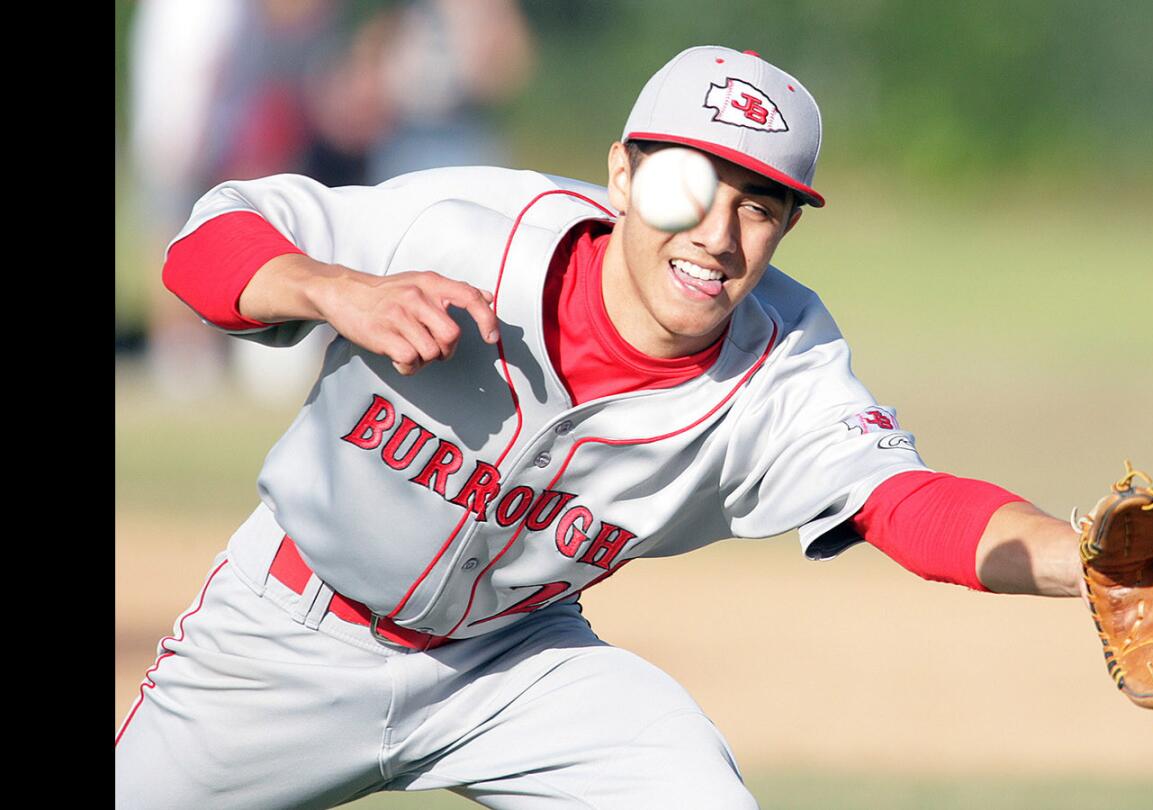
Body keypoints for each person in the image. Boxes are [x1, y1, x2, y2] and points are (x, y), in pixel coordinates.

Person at [115, 46, 1085, 809]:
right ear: (623, 175)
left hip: (513, 666)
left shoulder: (782, 366)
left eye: (759, 207)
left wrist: (1095, 560)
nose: (717, 235)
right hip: (288, 632)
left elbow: (908, 504)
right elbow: (207, 241)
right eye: (689, 189)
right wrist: (335, 291)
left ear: (788, 229)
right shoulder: (469, 229)